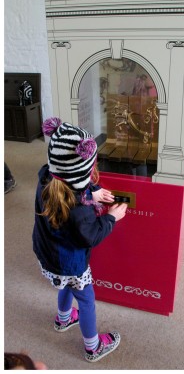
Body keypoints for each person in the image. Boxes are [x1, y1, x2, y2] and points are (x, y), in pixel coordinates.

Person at [32, 117, 127, 363]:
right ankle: (93, 347)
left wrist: (90, 190)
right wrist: (112, 218)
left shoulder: (47, 176)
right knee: (86, 300)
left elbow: (68, 183)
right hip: (70, 262)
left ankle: (63, 319)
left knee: (65, 285)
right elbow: (92, 235)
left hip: (47, 253)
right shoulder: (78, 209)